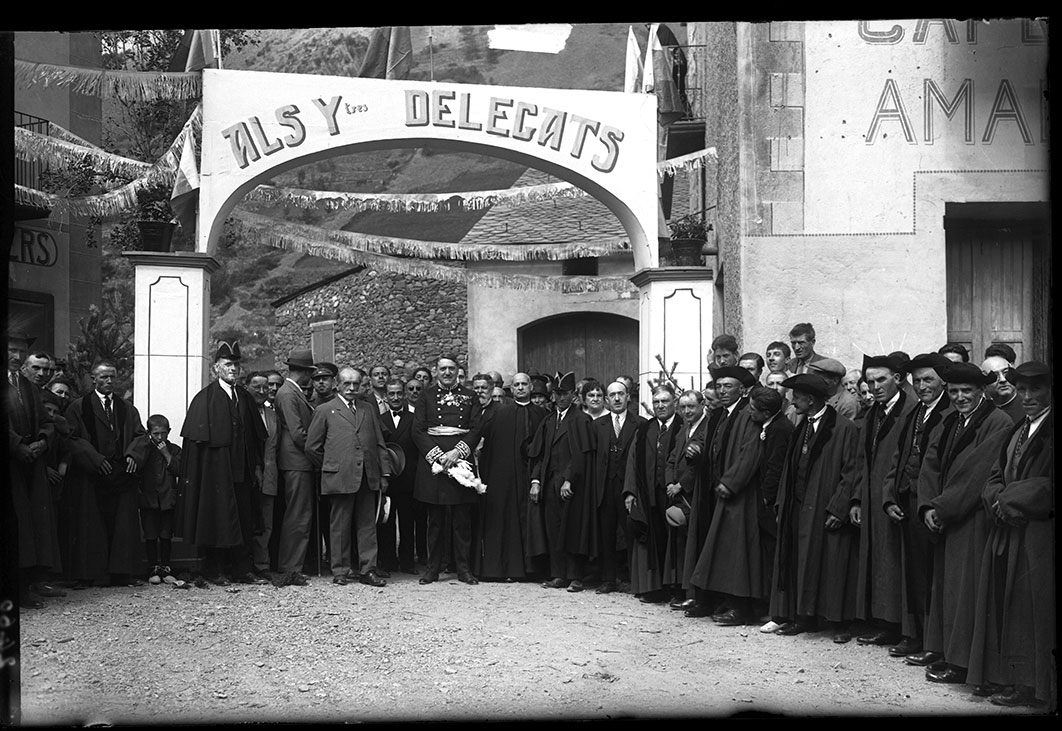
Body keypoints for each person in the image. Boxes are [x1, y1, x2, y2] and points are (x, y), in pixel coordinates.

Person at [916, 361, 1013, 686]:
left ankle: (961, 663)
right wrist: (928, 506)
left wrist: (942, 508)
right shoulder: (949, 420)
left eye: (966, 391)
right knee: (947, 587)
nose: (959, 397)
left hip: (970, 518)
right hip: (946, 514)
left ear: (982, 391)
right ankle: (945, 651)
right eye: (954, 391)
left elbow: (977, 472)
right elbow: (929, 465)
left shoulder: (997, 422)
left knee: (966, 590)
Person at [967, 362, 1054, 708]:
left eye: (1037, 390)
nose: (1029, 397)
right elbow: (994, 476)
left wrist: (1010, 499)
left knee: (1034, 610)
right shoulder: (1020, 429)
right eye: (1024, 390)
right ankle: (1017, 680)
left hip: (1038, 535)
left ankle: (1038, 687)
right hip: (1008, 530)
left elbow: (1046, 485)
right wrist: (997, 499)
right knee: (1010, 606)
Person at [769, 373, 861, 643]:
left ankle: (840, 623)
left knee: (833, 564)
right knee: (803, 561)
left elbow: (852, 470)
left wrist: (838, 508)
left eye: (796, 397)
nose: (792, 400)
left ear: (810, 399)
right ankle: (805, 617)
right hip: (799, 506)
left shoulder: (844, 428)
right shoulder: (802, 425)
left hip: (826, 507)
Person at [880, 353, 952, 662]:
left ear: (942, 382)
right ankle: (916, 634)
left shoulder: (949, 413)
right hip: (907, 502)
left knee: (933, 576)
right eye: (917, 380)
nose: (921, 386)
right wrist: (890, 497)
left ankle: (935, 643)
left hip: (932, 505)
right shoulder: (915, 413)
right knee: (913, 573)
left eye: (928, 380)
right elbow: (898, 458)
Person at [179, 341, 268, 586]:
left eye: (236, 365)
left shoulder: (246, 398)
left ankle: (242, 569)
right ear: (216, 368)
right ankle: (215, 570)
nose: (233, 369)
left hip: (243, 470)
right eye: (228, 365)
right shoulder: (204, 399)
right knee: (216, 518)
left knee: (243, 517)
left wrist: (258, 467)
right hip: (216, 473)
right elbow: (195, 446)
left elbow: (255, 438)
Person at [850, 354, 917, 651]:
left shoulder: (911, 411)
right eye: (871, 382)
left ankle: (904, 628)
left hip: (895, 498)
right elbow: (861, 460)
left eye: (882, 380)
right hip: (871, 496)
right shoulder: (873, 413)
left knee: (896, 562)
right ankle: (884, 624)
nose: (875, 387)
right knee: (878, 561)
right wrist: (856, 499)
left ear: (898, 380)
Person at [305, 367, 392, 587]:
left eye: (355, 384)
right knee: (339, 525)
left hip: (367, 476)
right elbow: (312, 447)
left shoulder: (368, 409)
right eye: (347, 384)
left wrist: (384, 473)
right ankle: (341, 570)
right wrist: (331, 466)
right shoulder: (325, 410)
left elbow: (379, 443)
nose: (352, 388)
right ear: (338, 384)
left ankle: (368, 569)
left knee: (367, 525)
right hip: (340, 478)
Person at [688, 366, 762, 624]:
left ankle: (740, 607)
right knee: (716, 547)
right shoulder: (719, 414)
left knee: (736, 550)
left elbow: (750, 451)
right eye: (719, 386)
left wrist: (731, 482)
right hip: (714, 489)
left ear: (742, 389)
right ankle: (716, 600)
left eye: (727, 386)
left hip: (737, 493)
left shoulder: (747, 414)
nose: (721, 391)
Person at [64, 359, 147, 587]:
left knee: (122, 525)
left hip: (121, 473)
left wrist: (133, 455)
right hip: (91, 473)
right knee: (90, 524)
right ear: (93, 379)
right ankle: (90, 575)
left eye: (112, 377)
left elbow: (141, 435)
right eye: (103, 377)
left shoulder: (127, 408)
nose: (109, 381)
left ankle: (121, 573)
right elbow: (72, 438)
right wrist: (95, 458)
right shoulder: (78, 407)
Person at [413, 356, 484, 585]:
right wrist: (438, 456)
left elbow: (476, 429)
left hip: (460, 460)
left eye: (451, 369)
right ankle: (432, 569)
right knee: (435, 520)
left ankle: (463, 569)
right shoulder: (426, 395)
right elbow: (418, 430)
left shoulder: (470, 396)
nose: (447, 372)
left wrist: (457, 453)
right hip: (435, 462)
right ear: (436, 371)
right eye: (443, 369)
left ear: (457, 371)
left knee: (462, 520)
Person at [475, 372, 548, 581]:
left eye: (525, 384)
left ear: (531, 387)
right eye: (517, 385)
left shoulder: (542, 415)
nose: (521, 388)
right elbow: (486, 446)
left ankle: (533, 570)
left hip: (532, 476)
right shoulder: (499, 414)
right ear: (511, 389)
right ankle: (506, 568)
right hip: (505, 477)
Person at [529, 371, 596, 592]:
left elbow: (582, 455)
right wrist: (536, 480)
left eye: (565, 394)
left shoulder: (581, 420)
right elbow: (540, 454)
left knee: (573, 528)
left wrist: (569, 480)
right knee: (553, 529)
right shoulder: (549, 421)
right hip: (550, 483)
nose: (560, 398)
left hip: (571, 484)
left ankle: (575, 575)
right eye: (557, 393)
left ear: (573, 396)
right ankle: (558, 574)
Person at [7, 349, 62, 604]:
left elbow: (46, 422)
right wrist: (17, 445)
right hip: (10, 461)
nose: (14, 355)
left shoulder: (26, 386)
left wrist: (41, 441)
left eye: (18, 350)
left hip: (31, 463)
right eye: (10, 349)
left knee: (30, 527)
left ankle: (26, 586)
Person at [623, 384, 683, 603]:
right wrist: (630, 492)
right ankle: (655, 588)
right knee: (651, 540)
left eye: (665, 401)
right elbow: (631, 462)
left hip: (673, 494)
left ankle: (678, 589)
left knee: (675, 540)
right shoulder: (644, 429)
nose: (660, 406)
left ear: (674, 402)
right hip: (648, 494)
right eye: (656, 402)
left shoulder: (682, 427)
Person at [744, 386, 795, 632]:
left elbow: (775, 467)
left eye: (753, 409)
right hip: (765, 500)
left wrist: (767, 498)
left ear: (765, 413)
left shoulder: (780, 429)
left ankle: (779, 611)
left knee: (775, 554)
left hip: (771, 502)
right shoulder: (769, 426)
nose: (749, 412)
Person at [588, 380, 644, 594]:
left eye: (621, 394)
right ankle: (608, 578)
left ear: (628, 396)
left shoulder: (639, 423)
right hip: (604, 487)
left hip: (628, 487)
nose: (617, 399)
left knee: (631, 532)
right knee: (606, 533)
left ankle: (634, 579)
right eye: (612, 395)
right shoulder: (597, 426)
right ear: (607, 399)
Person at [662, 389, 709, 608]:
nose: (687, 411)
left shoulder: (707, 428)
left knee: (694, 545)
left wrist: (682, 485)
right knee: (681, 544)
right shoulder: (683, 429)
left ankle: (695, 594)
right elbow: (672, 459)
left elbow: (700, 462)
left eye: (691, 406)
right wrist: (671, 482)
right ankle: (682, 589)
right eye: (683, 407)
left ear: (702, 405)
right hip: (678, 495)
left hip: (695, 495)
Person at [275, 349, 318, 584]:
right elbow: (298, 433)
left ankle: (293, 564)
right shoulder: (288, 394)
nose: (311, 377)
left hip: (298, 461)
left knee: (300, 513)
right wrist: (317, 455)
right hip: (297, 461)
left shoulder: (293, 392)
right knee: (298, 514)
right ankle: (291, 566)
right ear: (302, 371)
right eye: (310, 372)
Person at [125, 414, 182, 585]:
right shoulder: (145, 449)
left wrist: (165, 453)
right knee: (150, 534)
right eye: (156, 434)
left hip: (167, 499)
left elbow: (179, 469)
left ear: (169, 432)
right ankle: (152, 568)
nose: (159, 437)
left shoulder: (174, 450)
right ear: (149, 433)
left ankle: (166, 567)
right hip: (149, 499)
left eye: (163, 433)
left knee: (165, 534)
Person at [377, 377, 418, 575]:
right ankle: (388, 562)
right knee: (386, 523)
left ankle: (408, 562)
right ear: (385, 396)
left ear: (404, 395)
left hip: (409, 479)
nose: (395, 397)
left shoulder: (414, 419)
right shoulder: (379, 420)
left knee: (408, 522)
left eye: (399, 393)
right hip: (389, 480)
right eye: (391, 394)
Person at [245, 372, 280, 578]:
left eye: (265, 388)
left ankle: (262, 564)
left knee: (266, 522)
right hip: (247, 475)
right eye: (256, 387)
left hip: (270, 476)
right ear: (247, 387)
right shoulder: (240, 412)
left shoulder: (273, 415)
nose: (261, 392)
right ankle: (243, 565)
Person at [981, 354, 1024, 424]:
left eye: (1006, 373)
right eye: (995, 376)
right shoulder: (982, 413)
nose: (1002, 379)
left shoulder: (1028, 405)